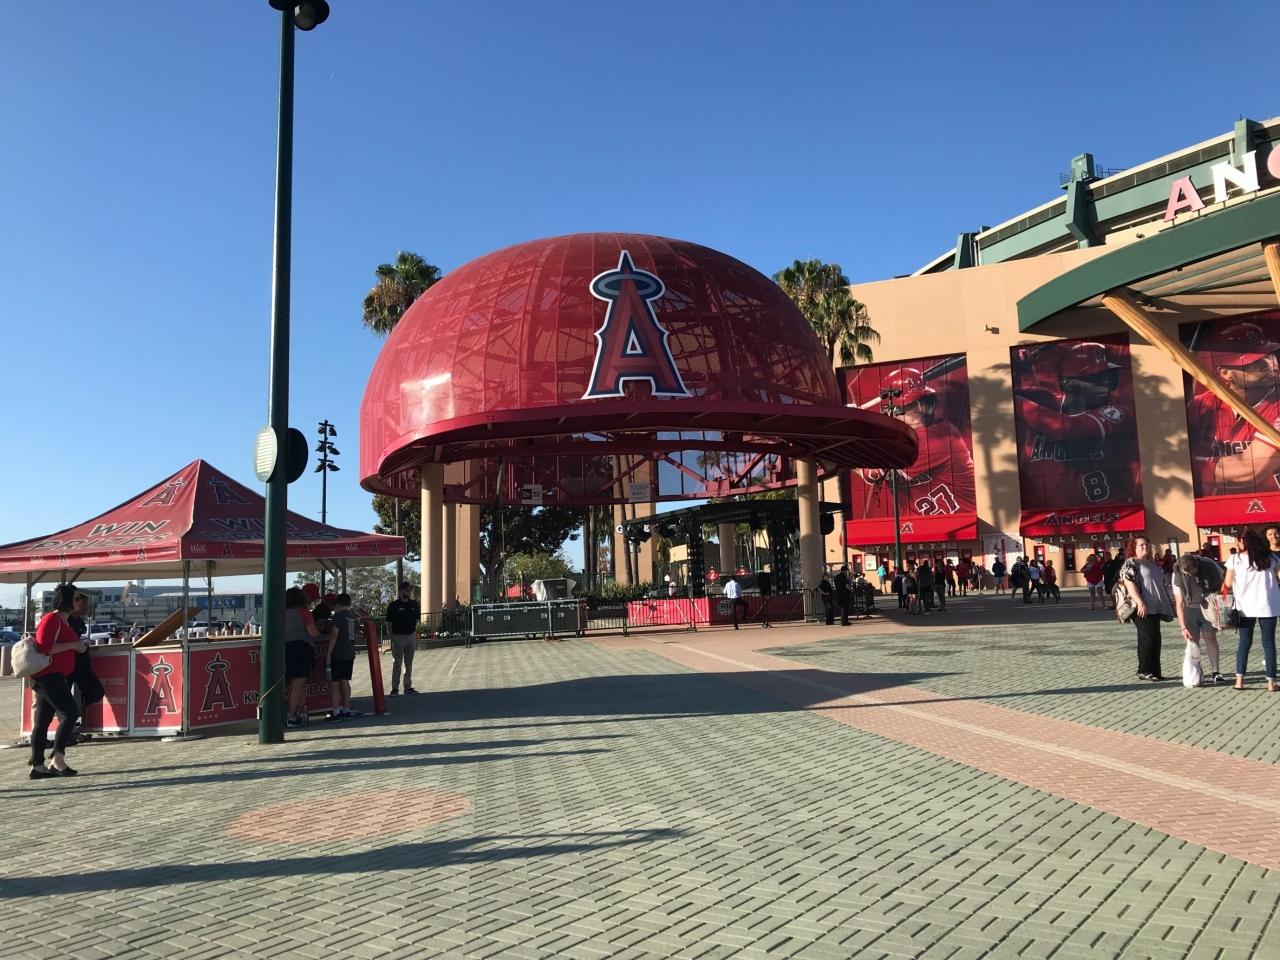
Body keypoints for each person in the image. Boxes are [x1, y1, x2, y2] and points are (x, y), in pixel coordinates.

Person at [1186, 322, 1280, 497]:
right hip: (1222, 506)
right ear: (1225, 373)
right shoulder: (1201, 405)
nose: (1270, 363)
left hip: (1272, 505)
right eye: (1254, 361)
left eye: (1270, 354)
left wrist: (1182, 466)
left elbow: (1248, 470)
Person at [27, 584, 87, 779]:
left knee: (43, 721)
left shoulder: (63, 620)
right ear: (67, 601)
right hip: (48, 676)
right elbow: (44, 647)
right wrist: (74, 645)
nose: (79, 602)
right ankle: (57, 758)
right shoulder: (51, 619)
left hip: (53, 676)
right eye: (76, 598)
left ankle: (38, 766)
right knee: (70, 712)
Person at [1223, 529, 1280, 692]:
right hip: (1269, 606)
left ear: (1243, 542)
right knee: (1268, 643)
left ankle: (1239, 681)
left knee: (1244, 642)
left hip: (1245, 608)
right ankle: (1271, 683)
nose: (1237, 543)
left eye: (1238, 540)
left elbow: (1228, 583)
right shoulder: (1270, 557)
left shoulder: (1235, 559)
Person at [1119, 536, 1174, 682]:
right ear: (1134, 547)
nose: (1145, 547)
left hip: (1156, 607)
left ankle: (1155, 671)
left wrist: (1170, 603)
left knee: (1155, 639)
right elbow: (1129, 583)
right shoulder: (1131, 563)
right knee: (1147, 638)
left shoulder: (1152, 563)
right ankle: (1143, 670)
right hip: (1141, 607)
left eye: (1147, 544)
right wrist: (1140, 602)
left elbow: (1161, 584)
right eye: (1141, 545)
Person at [1172, 553, 1223, 685]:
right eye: (1186, 574)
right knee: (1193, 641)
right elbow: (1179, 602)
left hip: (1208, 605)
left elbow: (1222, 580)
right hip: (1190, 608)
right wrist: (1183, 627)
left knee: (1210, 637)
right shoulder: (1177, 574)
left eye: (1192, 572)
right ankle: (1196, 672)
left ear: (1197, 566)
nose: (1190, 576)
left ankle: (1216, 672)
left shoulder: (1209, 565)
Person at [284, 586, 322, 727]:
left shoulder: (279, 613)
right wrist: (320, 628)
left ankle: (296, 713)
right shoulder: (304, 613)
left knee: (290, 685)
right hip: (301, 650)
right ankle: (292, 717)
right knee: (298, 685)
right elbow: (313, 633)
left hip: (283, 650)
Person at [325, 594, 360, 720]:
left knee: (334, 683)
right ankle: (346, 709)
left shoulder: (337, 617)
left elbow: (334, 635)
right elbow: (355, 637)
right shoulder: (354, 617)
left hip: (338, 653)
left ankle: (336, 711)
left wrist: (328, 654)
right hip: (349, 653)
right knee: (345, 681)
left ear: (338, 604)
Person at [386, 581, 420, 695]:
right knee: (397, 664)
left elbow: (416, 620)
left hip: (411, 636)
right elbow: (388, 622)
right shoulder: (393, 606)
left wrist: (414, 633)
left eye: (410, 590)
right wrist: (392, 637)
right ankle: (395, 689)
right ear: (401, 591)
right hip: (398, 637)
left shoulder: (414, 604)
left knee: (408, 663)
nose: (409, 592)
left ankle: (407, 687)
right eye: (407, 590)